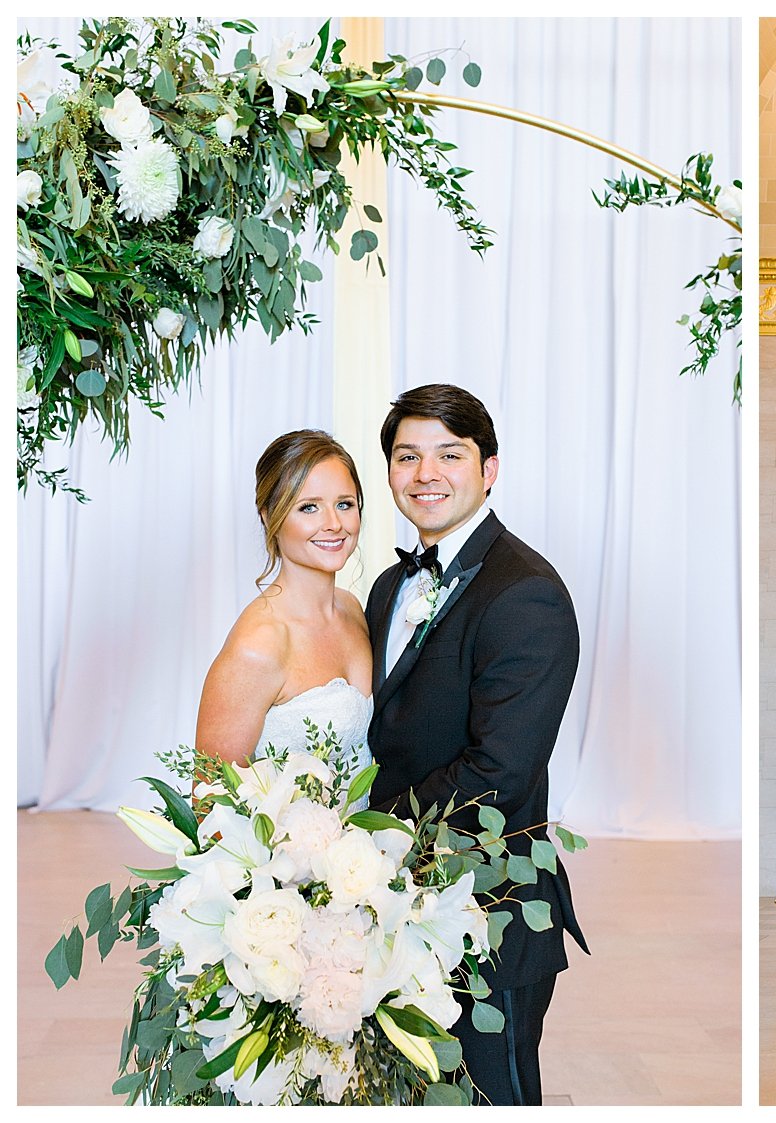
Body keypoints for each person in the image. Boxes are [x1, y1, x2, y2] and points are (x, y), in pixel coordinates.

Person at [364, 383, 587, 1106]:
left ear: (489, 469)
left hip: (490, 905)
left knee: (493, 1094)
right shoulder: (387, 587)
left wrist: (370, 834)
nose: (425, 473)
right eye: (407, 456)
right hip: (393, 902)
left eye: (449, 455)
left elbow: (501, 770)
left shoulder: (526, 592)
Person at [195, 430, 373, 790]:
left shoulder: (352, 609)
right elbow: (209, 797)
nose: (334, 524)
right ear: (268, 516)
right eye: (309, 507)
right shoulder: (259, 645)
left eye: (344, 504)